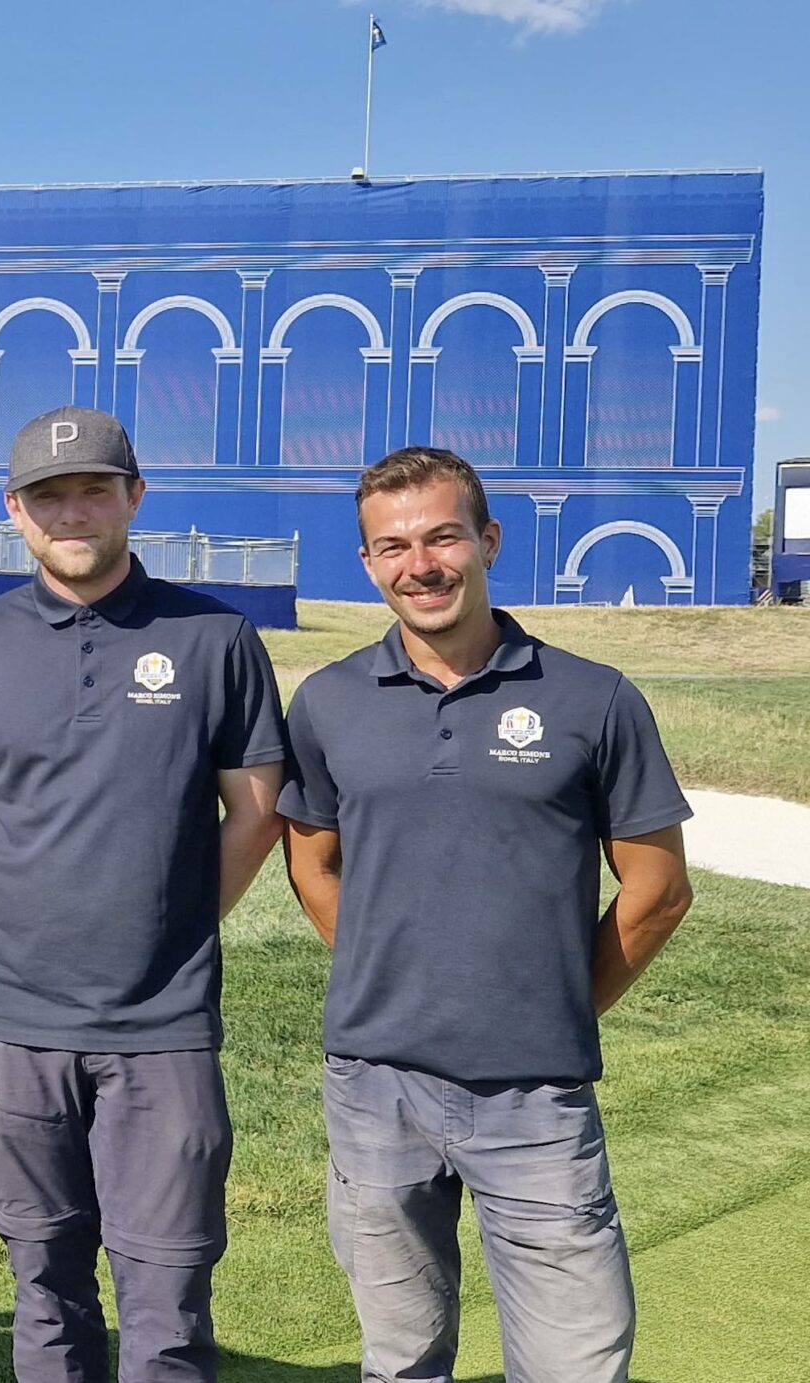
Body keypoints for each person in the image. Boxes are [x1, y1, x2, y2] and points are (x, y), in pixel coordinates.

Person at [278, 447, 694, 1383]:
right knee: (401, 1359)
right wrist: (393, 972)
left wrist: (554, 1001)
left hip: (535, 1096)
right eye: (391, 546)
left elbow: (659, 888)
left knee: (574, 1364)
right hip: (374, 1086)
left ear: (488, 540)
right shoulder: (329, 701)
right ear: (368, 562)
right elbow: (311, 860)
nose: (419, 565)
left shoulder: (594, 697)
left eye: (441, 537)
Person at [0, 406, 287, 1382]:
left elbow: (254, 815)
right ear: (14, 510)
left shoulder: (213, 637)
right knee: (45, 1292)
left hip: (159, 1027)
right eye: (48, 494)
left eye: (93, 488)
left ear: (135, 496)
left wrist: (167, 926)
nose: (71, 511)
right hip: (7, 1023)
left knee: (166, 1303)